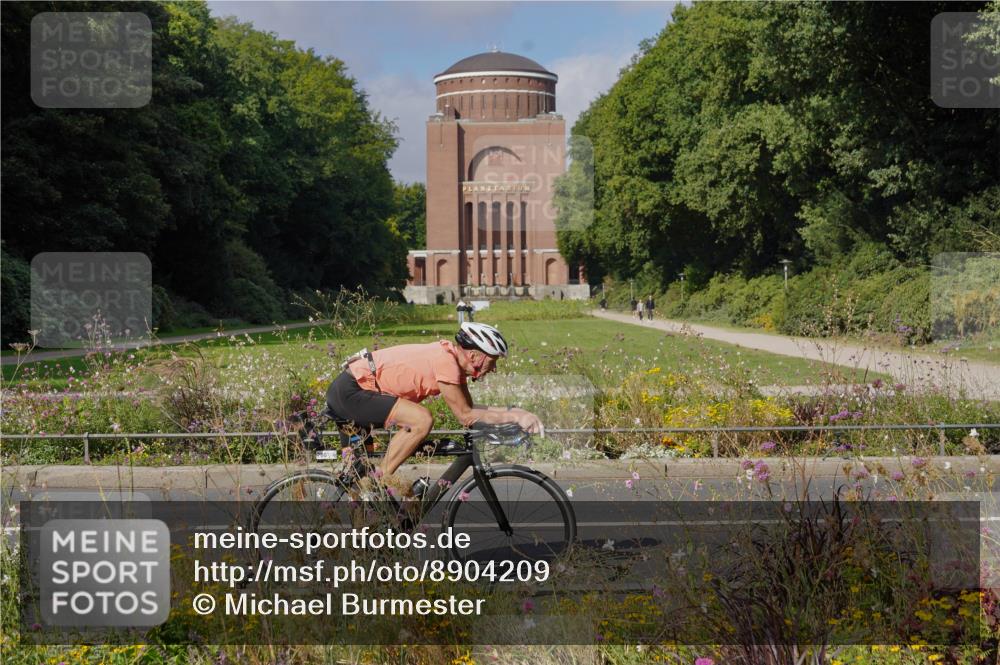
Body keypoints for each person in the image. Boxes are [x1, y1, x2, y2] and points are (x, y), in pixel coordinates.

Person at [326, 322, 543, 484]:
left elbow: (471, 410)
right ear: (476, 356)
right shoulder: (447, 362)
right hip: (352, 391)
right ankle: (381, 483)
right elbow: (465, 416)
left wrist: (516, 412)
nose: (493, 368)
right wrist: (516, 416)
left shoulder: (451, 362)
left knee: (358, 476)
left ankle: (364, 535)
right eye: (492, 361)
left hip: (351, 390)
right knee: (421, 420)